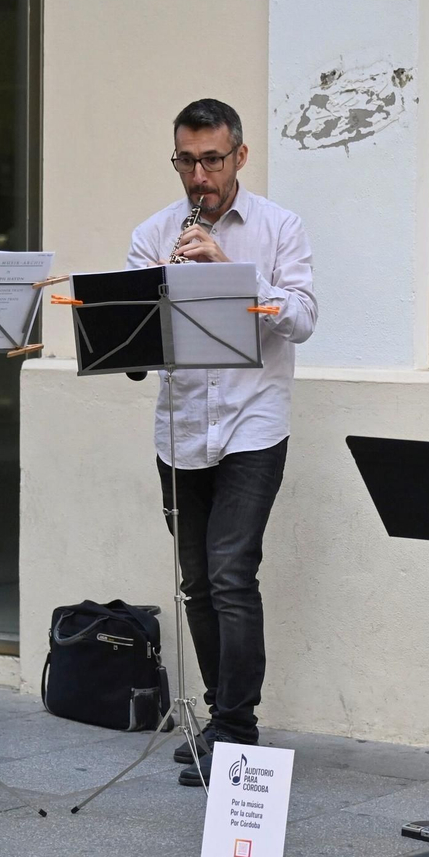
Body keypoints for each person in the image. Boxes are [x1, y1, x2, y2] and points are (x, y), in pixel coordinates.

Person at [126, 98, 317, 787]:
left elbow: (302, 317)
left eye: (212, 159)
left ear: (240, 155)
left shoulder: (279, 227)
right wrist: (139, 320)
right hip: (178, 432)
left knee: (233, 573)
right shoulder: (152, 233)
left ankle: (238, 728)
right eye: (187, 160)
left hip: (253, 426)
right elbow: (135, 349)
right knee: (198, 583)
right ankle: (217, 717)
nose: (199, 175)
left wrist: (233, 268)